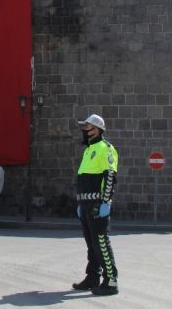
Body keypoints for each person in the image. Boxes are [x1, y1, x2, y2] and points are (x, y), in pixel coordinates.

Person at [72, 114, 119, 296]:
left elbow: (109, 178)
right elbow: (85, 179)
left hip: (97, 204)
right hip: (85, 203)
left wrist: (105, 202)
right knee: (91, 244)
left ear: (97, 129)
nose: (84, 130)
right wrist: (80, 202)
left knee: (101, 242)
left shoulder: (105, 149)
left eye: (87, 127)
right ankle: (93, 277)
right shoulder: (88, 150)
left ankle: (111, 281)